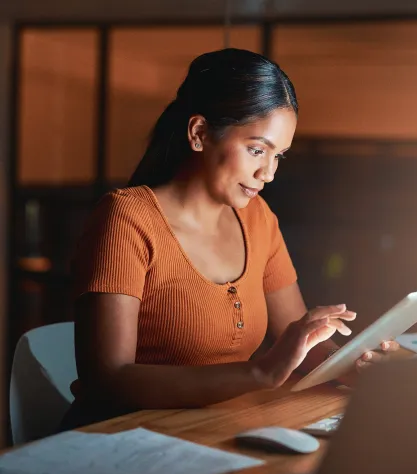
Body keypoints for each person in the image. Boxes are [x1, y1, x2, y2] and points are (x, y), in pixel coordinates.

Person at [61, 48, 398, 431]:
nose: (267, 173)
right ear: (199, 133)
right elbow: (107, 379)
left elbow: (300, 349)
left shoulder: (258, 220)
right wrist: (257, 374)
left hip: (214, 431)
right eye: (257, 150)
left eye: (279, 157)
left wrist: (351, 364)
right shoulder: (127, 219)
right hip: (123, 442)